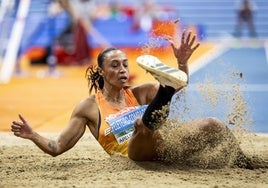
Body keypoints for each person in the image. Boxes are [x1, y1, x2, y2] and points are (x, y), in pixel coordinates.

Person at [11, 30, 252, 168]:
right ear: (102, 72)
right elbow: (57, 148)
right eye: (115, 66)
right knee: (141, 127)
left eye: (125, 64)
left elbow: (182, 85)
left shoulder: (139, 91)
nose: (123, 70)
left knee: (213, 125)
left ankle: (245, 163)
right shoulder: (89, 108)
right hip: (134, 155)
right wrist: (33, 135)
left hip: (165, 149)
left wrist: (181, 63)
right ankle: (163, 93)